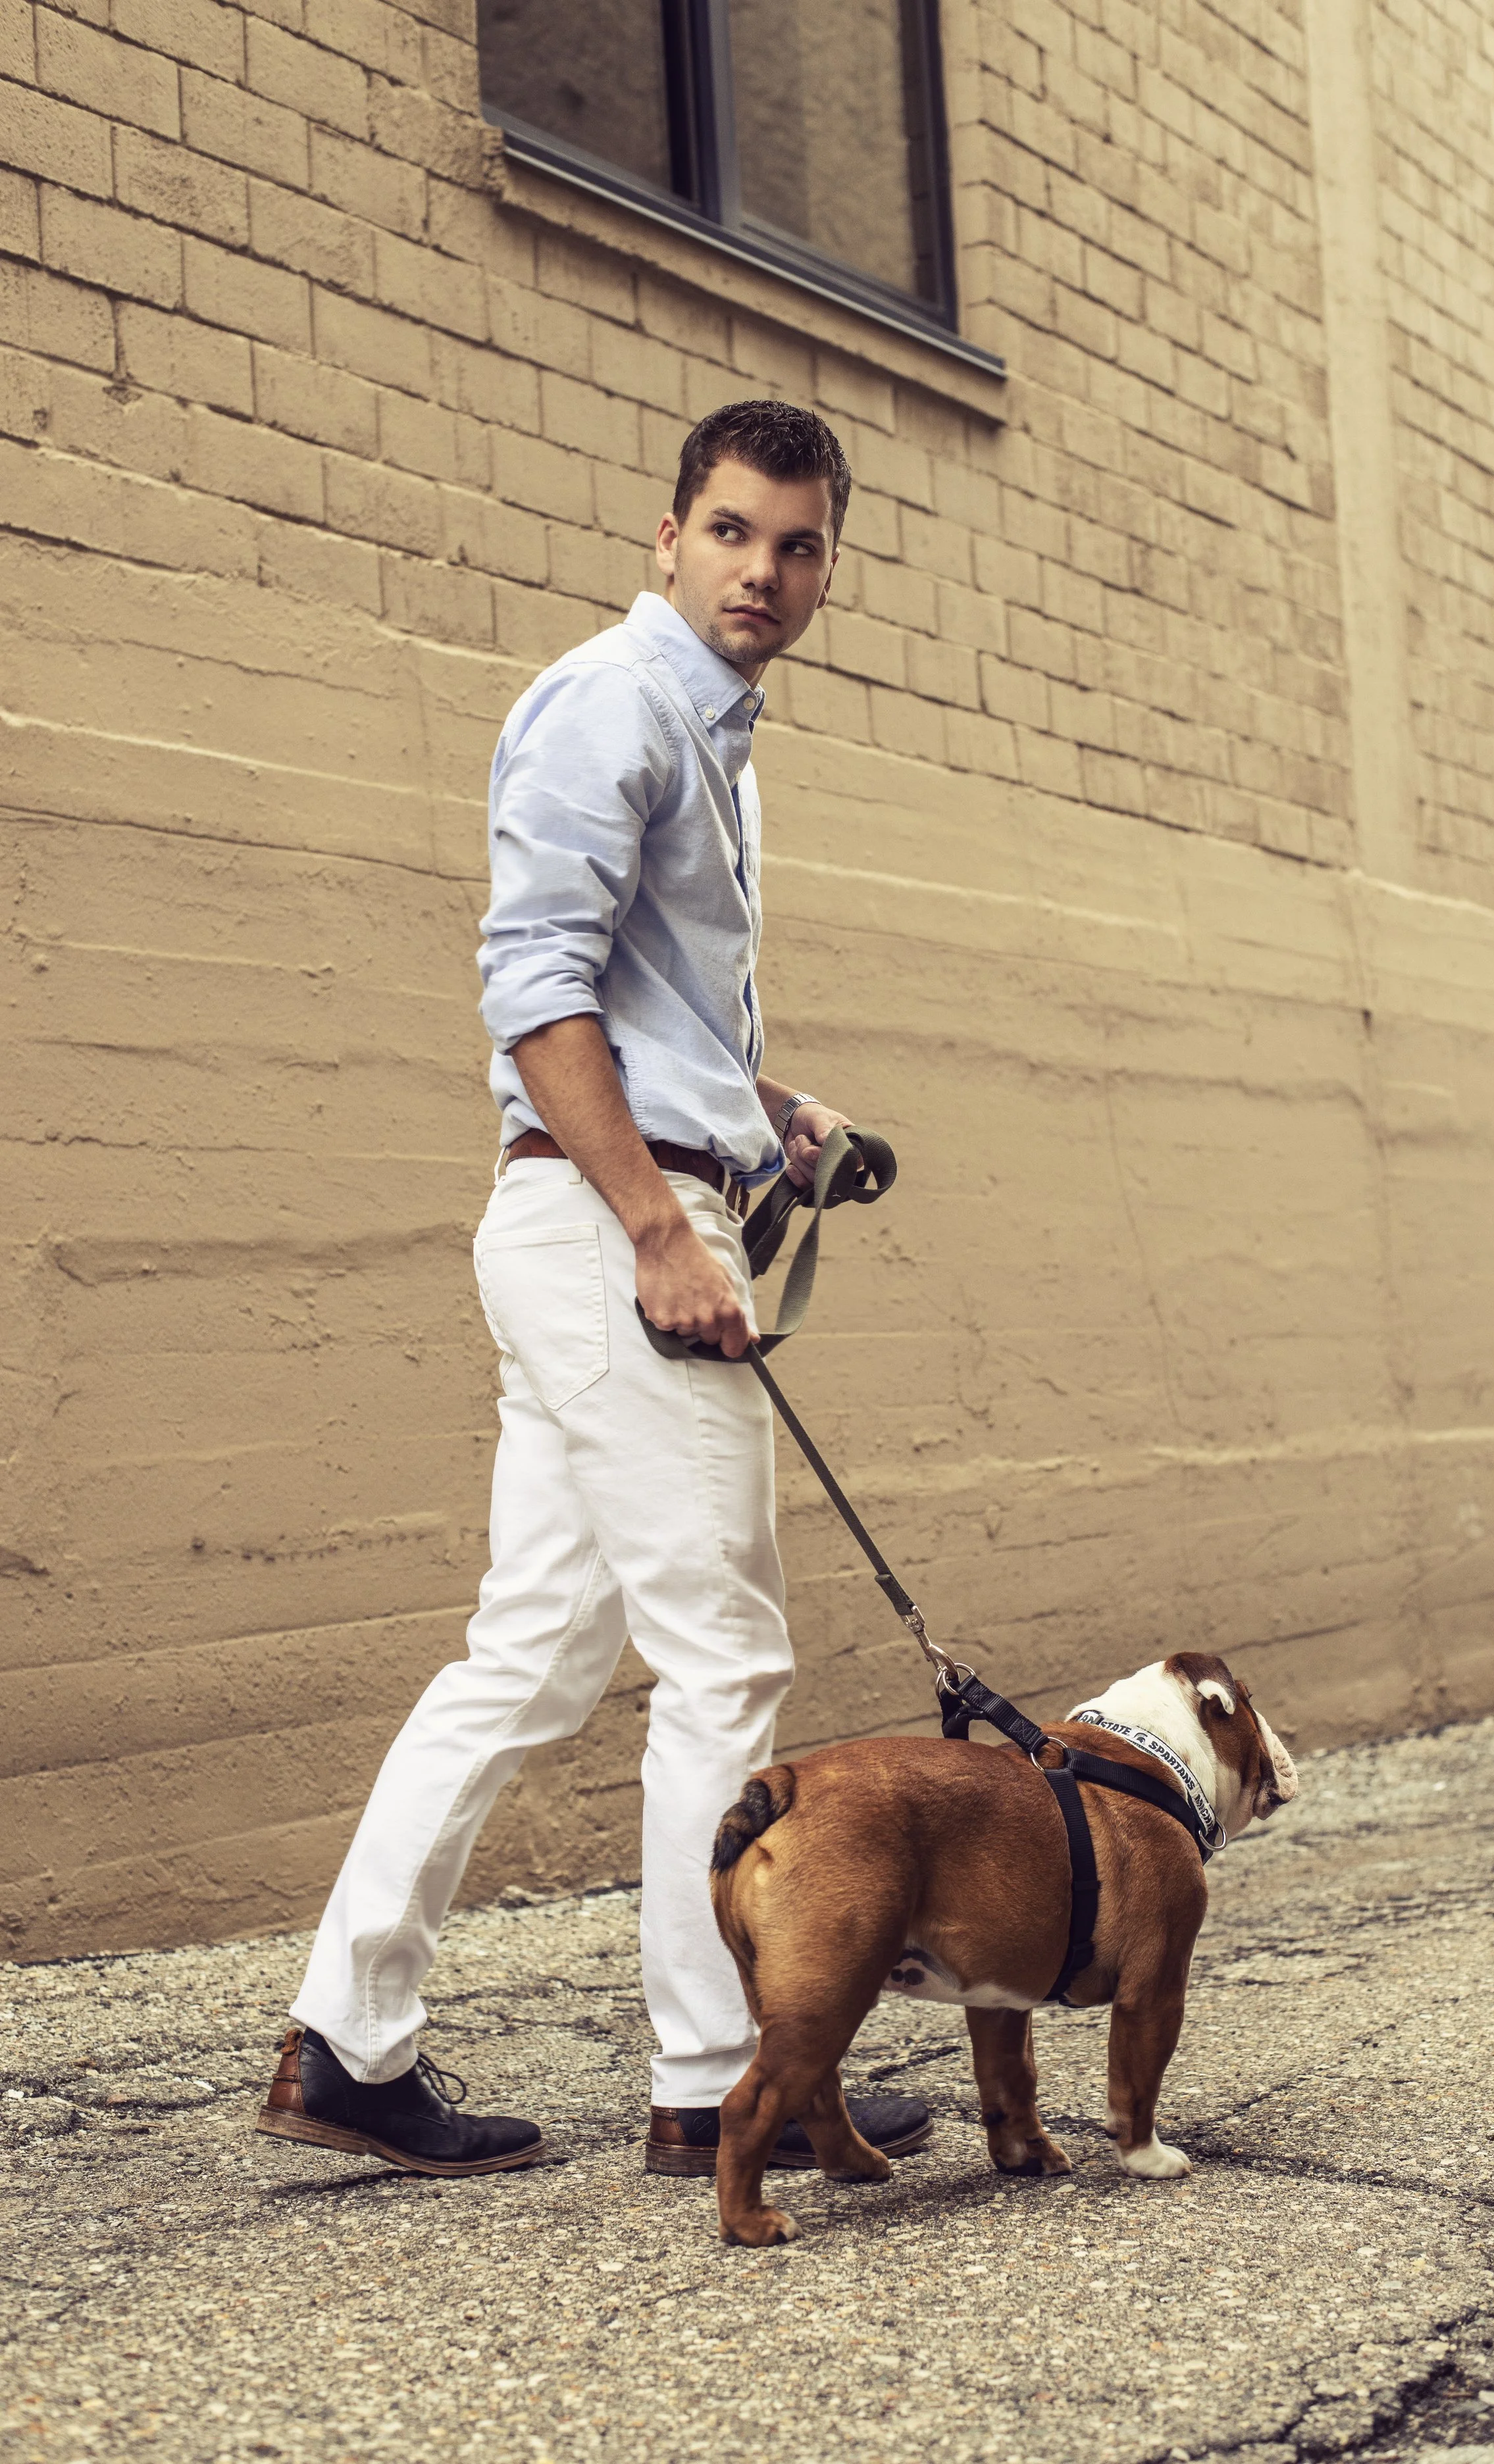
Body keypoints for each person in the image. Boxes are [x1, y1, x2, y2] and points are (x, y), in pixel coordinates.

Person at [256, 400, 933, 2181]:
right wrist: (660, 1230)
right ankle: (721, 2080)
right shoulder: (611, 705)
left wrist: (763, 1114)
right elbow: (534, 993)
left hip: (614, 1207)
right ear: (665, 535)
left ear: (824, 565)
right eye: (731, 532)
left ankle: (345, 2041)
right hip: (599, 1232)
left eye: (796, 545)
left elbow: (642, 1017)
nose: (762, 572)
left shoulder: (716, 744)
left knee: (530, 1656)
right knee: (724, 1652)